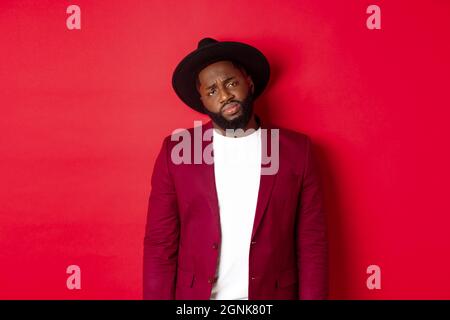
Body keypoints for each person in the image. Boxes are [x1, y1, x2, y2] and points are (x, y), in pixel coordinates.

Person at [143, 37, 328, 300]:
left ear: (248, 82)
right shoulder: (177, 151)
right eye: (212, 91)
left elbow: (312, 244)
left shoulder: (299, 152)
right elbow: (160, 245)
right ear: (202, 102)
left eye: (231, 83)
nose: (225, 95)